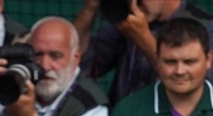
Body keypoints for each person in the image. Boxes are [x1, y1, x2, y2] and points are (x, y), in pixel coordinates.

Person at [77, 0, 213, 104]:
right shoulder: (129, 18)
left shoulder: (205, 27)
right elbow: (77, 64)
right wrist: (90, 8)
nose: (134, 3)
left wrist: (144, 39)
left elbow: (203, 90)